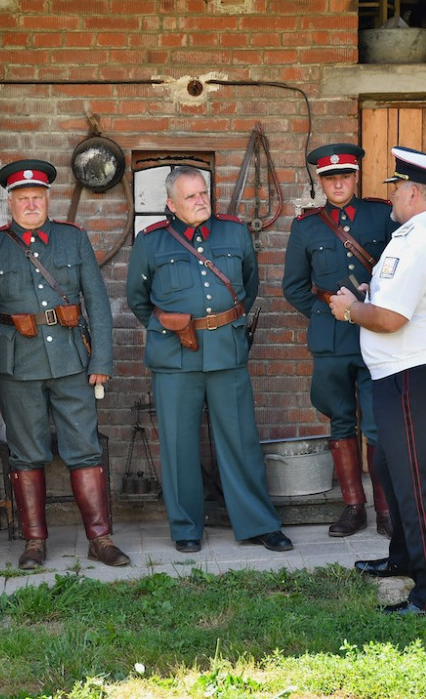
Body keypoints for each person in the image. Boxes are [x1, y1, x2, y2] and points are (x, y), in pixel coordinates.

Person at [330, 147, 426, 615]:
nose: (392, 198)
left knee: (419, 488)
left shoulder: (414, 237)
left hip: (418, 376)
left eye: (396, 189)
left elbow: (393, 318)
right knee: (391, 471)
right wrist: (369, 295)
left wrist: (350, 309)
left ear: (414, 192)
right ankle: (404, 558)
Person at [0, 159, 130, 570]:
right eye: (22, 199)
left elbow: (96, 300)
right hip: (16, 365)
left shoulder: (72, 238)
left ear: (48, 199)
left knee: (85, 449)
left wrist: (101, 359)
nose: (30, 205)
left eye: (37, 198)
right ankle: (34, 543)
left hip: (72, 361)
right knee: (26, 454)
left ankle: (100, 538)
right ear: (11, 202)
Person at [126, 165, 293, 554]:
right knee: (178, 444)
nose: (201, 201)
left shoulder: (234, 232)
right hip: (174, 355)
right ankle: (186, 527)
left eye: (203, 193)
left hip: (226, 351)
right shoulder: (150, 243)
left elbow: (249, 286)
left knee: (240, 441)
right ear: (170, 204)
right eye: (190, 196)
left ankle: (258, 523)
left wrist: (221, 323)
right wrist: (173, 326)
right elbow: (138, 299)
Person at [283, 143, 398, 538]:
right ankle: (354, 507)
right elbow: (295, 286)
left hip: (375, 335)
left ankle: (386, 509)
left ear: (355, 177)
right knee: (341, 425)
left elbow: (401, 271)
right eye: (330, 178)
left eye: (345, 176)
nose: (338, 183)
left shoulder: (383, 215)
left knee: (379, 427)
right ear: (321, 181)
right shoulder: (307, 227)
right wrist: (324, 314)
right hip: (332, 340)